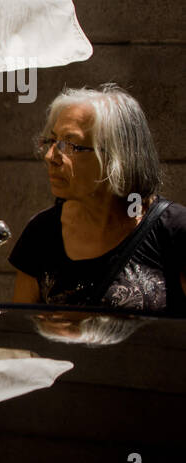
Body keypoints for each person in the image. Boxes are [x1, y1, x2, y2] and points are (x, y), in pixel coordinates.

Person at [10, 85, 185, 315]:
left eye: (70, 145)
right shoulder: (41, 231)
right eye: (51, 141)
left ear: (116, 155)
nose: (50, 156)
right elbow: (19, 333)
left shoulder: (175, 230)